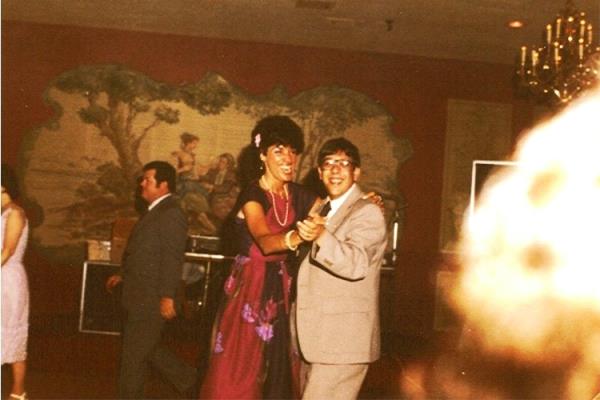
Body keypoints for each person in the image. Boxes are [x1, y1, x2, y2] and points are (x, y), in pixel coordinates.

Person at [199, 115, 318, 399]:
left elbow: (332, 211)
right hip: (249, 288)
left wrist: (361, 200)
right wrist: (297, 237)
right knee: (239, 371)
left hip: (280, 287)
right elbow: (265, 241)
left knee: (277, 370)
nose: (289, 158)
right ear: (262, 155)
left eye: (292, 151)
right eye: (279, 150)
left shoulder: (297, 194)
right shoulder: (253, 194)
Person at [294, 138, 387, 399]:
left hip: (342, 340)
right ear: (319, 172)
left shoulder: (368, 212)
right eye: (328, 163)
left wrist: (321, 236)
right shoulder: (321, 207)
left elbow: (357, 264)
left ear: (356, 173)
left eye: (344, 163)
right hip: (315, 336)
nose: (335, 169)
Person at [105, 160, 197, 399]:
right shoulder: (155, 211)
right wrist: (122, 274)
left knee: (133, 359)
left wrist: (167, 297)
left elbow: (172, 258)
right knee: (146, 349)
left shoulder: (171, 213)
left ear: (163, 184)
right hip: (140, 295)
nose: (142, 184)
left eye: (147, 179)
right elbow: (143, 252)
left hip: (152, 299)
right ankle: (189, 379)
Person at [1, 164, 30, 400]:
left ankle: (18, 392)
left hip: (8, 280)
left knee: (11, 335)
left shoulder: (15, 213)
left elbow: (8, 251)